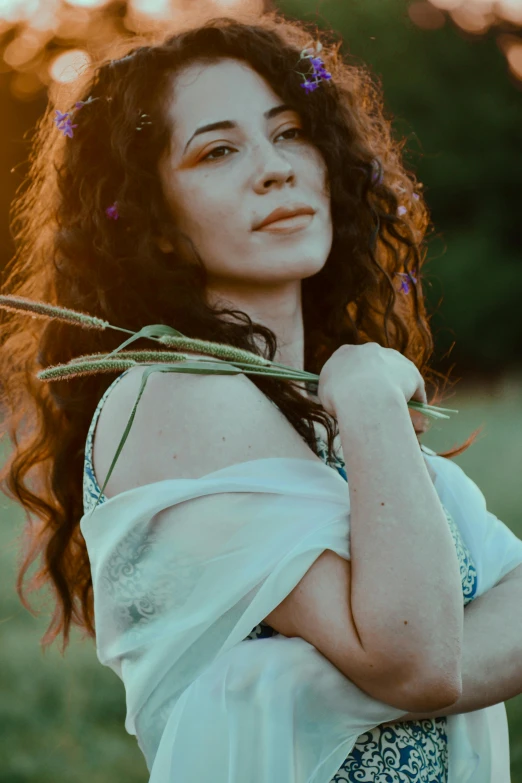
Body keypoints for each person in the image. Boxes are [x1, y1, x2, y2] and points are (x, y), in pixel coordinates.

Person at [1, 10, 520, 783]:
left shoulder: (316, 406)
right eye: (218, 150)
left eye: (290, 132)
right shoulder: (174, 392)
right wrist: (376, 402)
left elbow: (438, 646)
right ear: (159, 224)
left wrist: (425, 656)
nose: (275, 168)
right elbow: (416, 662)